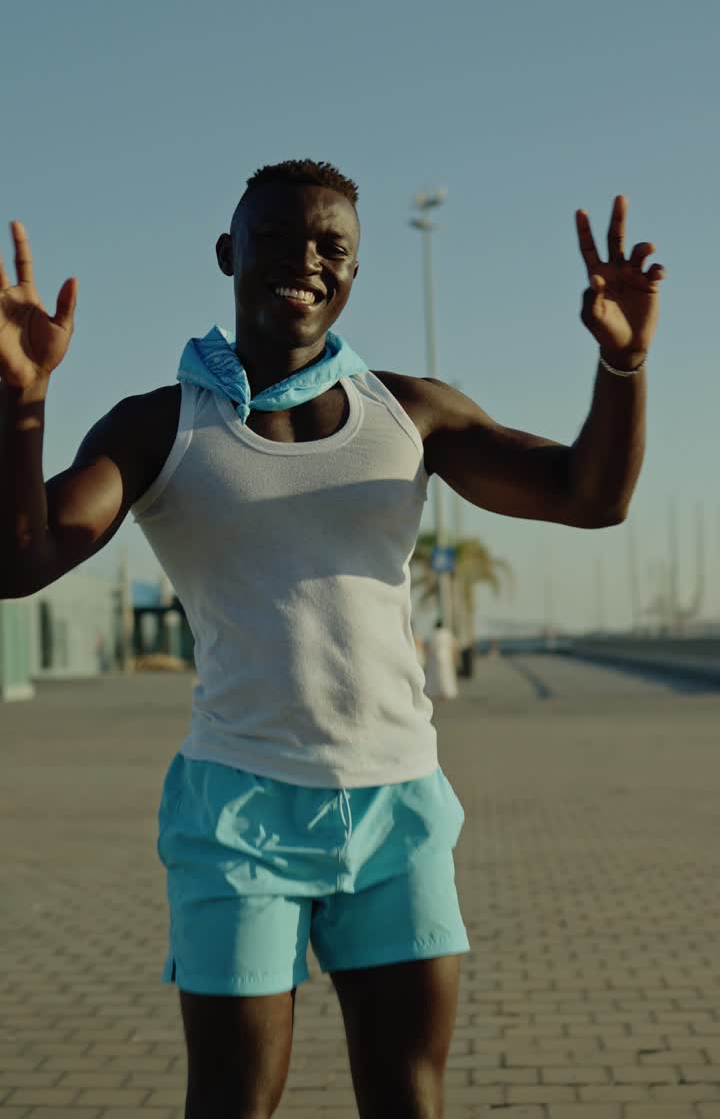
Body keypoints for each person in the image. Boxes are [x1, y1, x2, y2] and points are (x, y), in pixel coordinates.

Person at [0, 164, 665, 1118]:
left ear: (353, 272)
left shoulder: (410, 412)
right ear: (230, 254)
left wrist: (624, 364)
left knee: (408, 1098)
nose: (303, 262)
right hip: (239, 813)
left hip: (398, 806)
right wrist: (20, 399)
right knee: (232, 1102)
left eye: (331, 247)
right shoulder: (161, 427)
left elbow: (589, 498)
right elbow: (22, 561)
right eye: (275, 238)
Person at [423, 619, 459, 701]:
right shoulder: (447, 633)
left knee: (436, 675)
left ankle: (438, 692)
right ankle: (446, 692)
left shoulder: (434, 634)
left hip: (436, 657)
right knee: (447, 675)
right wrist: (455, 657)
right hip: (447, 656)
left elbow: (430, 648)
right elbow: (454, 645)